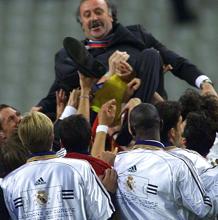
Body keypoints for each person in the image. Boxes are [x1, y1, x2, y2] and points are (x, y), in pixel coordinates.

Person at [33, 0, 216, 120]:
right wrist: (39, 109)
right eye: (87, 15)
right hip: (101, 115)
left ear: (111, 15)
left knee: (152, 55)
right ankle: (126, 121)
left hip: (149, 113)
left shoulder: (137, 35)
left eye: (98, 12)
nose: (93, 18)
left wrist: (205, 83)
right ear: (82, 24)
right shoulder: (68, 54)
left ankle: (135, 116)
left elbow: (176, 61)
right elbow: (59, 90)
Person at [1, 111, 115, 219]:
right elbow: (102, 215)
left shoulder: (9, 183)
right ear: (52, 136)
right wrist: (108, 193)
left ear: (23, 141)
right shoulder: (81, 168)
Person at [114, 103, 213, 219]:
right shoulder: (179, 165)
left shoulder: (118, 161)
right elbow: (205, 210)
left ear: (131, 129)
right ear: (161, 124)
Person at [155, 100, 211, 175]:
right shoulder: (194, 163)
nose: (182, 129)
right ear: (172, 133)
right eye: (180, 124)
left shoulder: (137, 152)